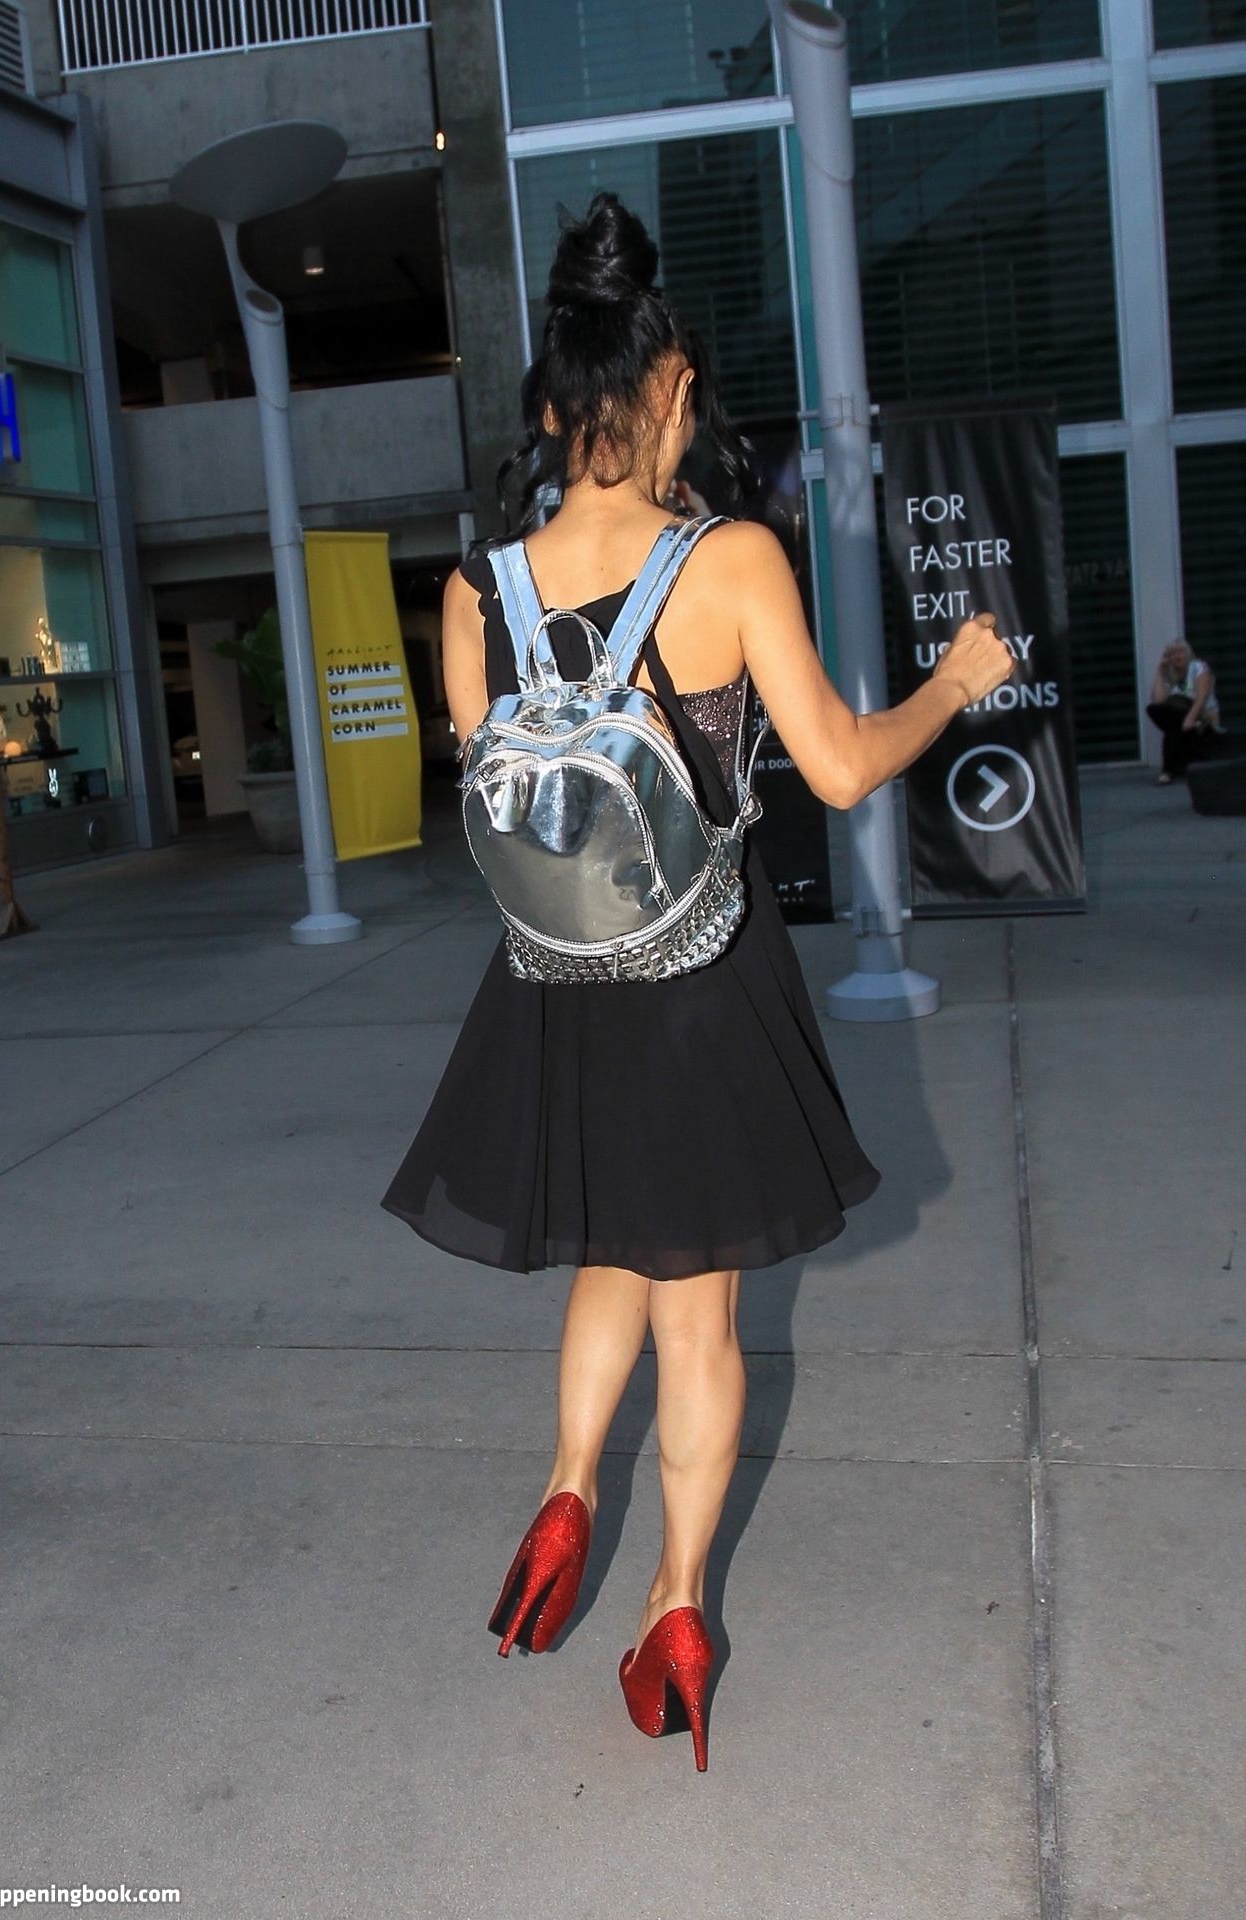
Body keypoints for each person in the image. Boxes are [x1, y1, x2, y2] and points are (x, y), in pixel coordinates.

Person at [380, 191, 1013, 1771]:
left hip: (553, 987)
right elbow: (844, 769)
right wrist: (954, 682)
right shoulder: (728, 562)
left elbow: (501, 795)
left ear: (549, 406)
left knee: (610, 1248)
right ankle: (673, 1607)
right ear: (669, 389)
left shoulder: (473, 592)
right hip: (698, 980)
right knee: (702, 1315)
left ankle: (566, 1489)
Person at [1147, 639, 1226, 784]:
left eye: (1181, 652)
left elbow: (1202, 696)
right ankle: (1169, 770)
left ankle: (1167, 772)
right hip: (1181, 719)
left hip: (1202, 718)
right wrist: (1160, 671)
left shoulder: (1198, 667)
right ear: (1168, 657)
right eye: (1173, 653)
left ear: (1188, 653)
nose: (1177, 656)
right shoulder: (1170, 674)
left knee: (1173, 723)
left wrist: (1190, 719)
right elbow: (1158, 700)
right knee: (1154, 710)